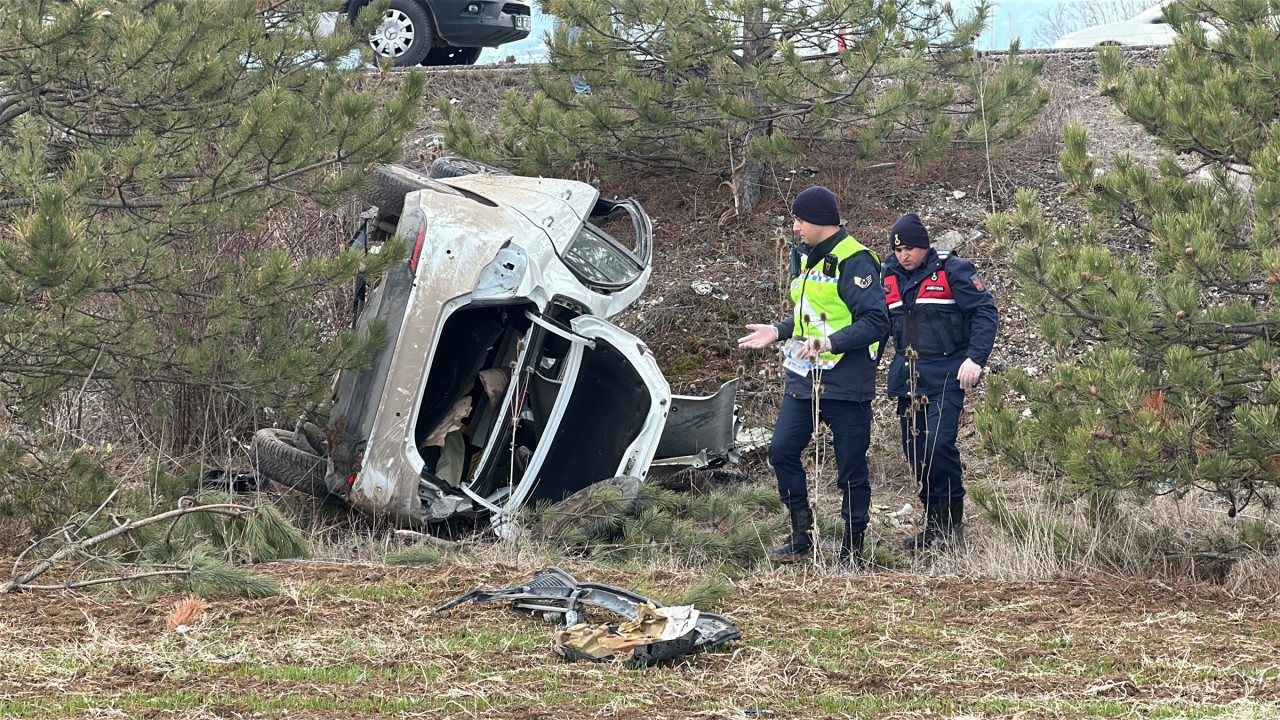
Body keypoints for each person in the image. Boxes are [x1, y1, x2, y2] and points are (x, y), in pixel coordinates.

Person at [738, 186, 889, 565]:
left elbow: (876, 321)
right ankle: (801, 534)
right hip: (804, 378)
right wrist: (778, 330)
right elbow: (808, 313)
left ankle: (852, 551)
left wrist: (830, 342)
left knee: (850, 467)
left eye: (799, 220)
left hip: (846, 381)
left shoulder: (855, 261)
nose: (794, 227)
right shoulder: (804, 257)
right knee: (782, 451)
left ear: (820, 221)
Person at [881, 213, 999, 550]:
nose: (904, 255)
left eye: (911, 248)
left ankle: (952, 525)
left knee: (937, 447)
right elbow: (879, 325)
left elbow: (985, 312)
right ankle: (933, 526)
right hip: (908, 378)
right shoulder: (888, 276)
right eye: (899, 248)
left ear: (925, 246)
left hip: (947, 374)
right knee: (917, 453)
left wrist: (975, 359)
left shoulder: (952, 271)